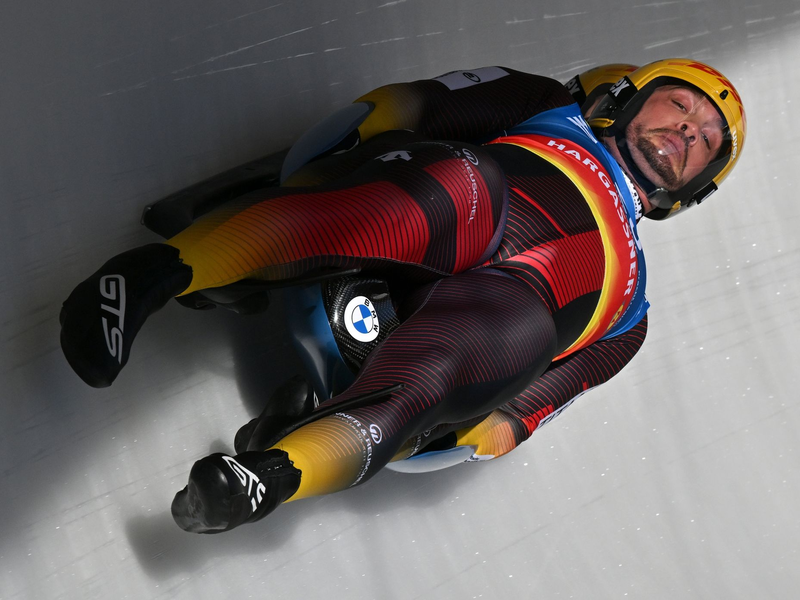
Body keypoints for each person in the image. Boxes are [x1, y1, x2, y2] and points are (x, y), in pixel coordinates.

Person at [59, 58, 746, 533]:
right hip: (439, 213)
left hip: (476, 325)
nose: (688, 130)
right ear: (631, 95)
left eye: (705, 140)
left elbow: (524, 412)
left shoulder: (630, 315)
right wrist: (349, 149)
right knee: (462, 189)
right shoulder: (546, 104)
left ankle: (272, 476)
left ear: (693, 188)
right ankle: (150, 276)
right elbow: (413, 104)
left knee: (517, 335)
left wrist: (471, 429)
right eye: (679, 103)